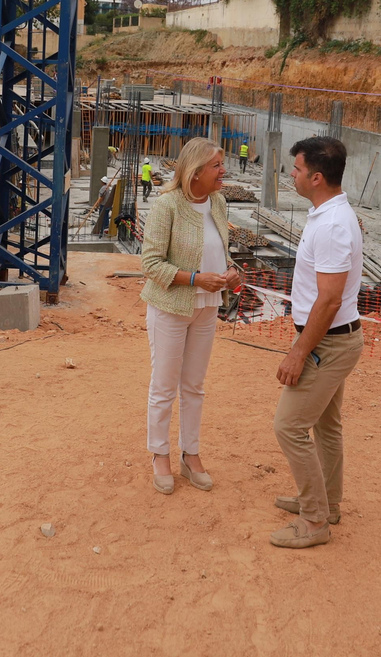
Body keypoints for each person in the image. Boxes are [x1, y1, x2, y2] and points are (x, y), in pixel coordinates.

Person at [269, 135, 363, 549]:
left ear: (317, 177)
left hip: (327, 343)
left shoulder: (332, 226)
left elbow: (329, 300)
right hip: (333, 339)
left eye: (298, 169)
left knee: (289, 426)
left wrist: (299, 351)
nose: (293, 174)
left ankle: (314, 520)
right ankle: (329, 503)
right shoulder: (327, 215)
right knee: (326, 426)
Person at [139, 137, 242, 495]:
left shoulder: (218, 202)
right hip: (170, 307)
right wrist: (196, 279)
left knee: (194, 386)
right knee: (164, 386)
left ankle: (191, 454)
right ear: (196, 172)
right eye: (217, 166)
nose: (223, 171)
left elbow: (221, 253)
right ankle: (159, 454)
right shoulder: (167, 205)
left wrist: (232, 271)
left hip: (207, 308)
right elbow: (150, 263)